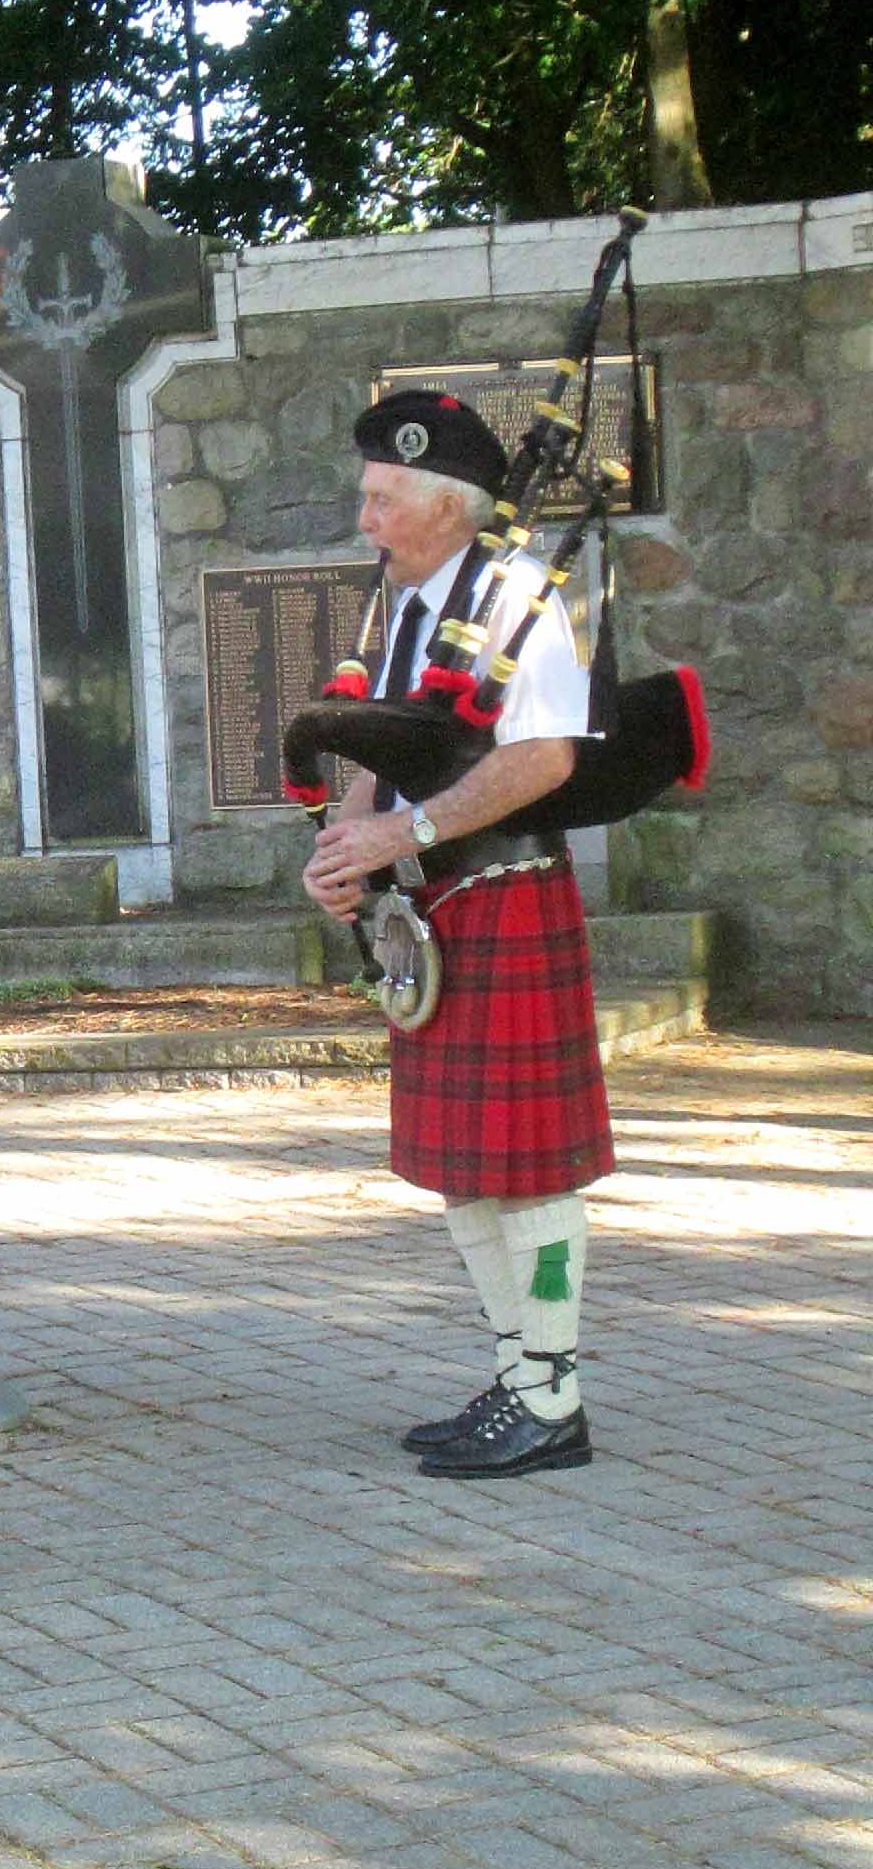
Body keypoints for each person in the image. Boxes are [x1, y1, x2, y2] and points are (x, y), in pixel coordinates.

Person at [303, 392, 613, 1479]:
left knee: (526, 1173)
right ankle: (520, 1374)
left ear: (445, 505)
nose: (366, 520)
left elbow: (544, 760)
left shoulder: (521, 597)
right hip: (431, 913)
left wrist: (410, 828)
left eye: (384, 500)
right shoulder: (411, 610)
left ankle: (553, 1392)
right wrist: (345, 848)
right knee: (467, 1173)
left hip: (505, 893)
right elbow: (382, 745)